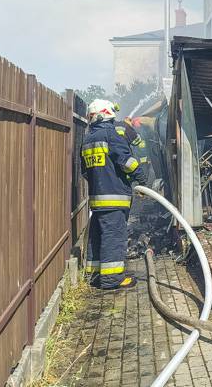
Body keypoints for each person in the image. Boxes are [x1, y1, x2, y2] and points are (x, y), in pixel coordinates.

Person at [82, 99, 147, 290]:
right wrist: (141, 177)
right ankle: (111, 279)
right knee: (113, 236)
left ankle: (94, 275)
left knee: (97, 235)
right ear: (107, 114)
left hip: (97, 198)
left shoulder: (87, 140)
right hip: (115, 196)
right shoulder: (111, 135)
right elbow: (126, 162)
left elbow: (84, 171)